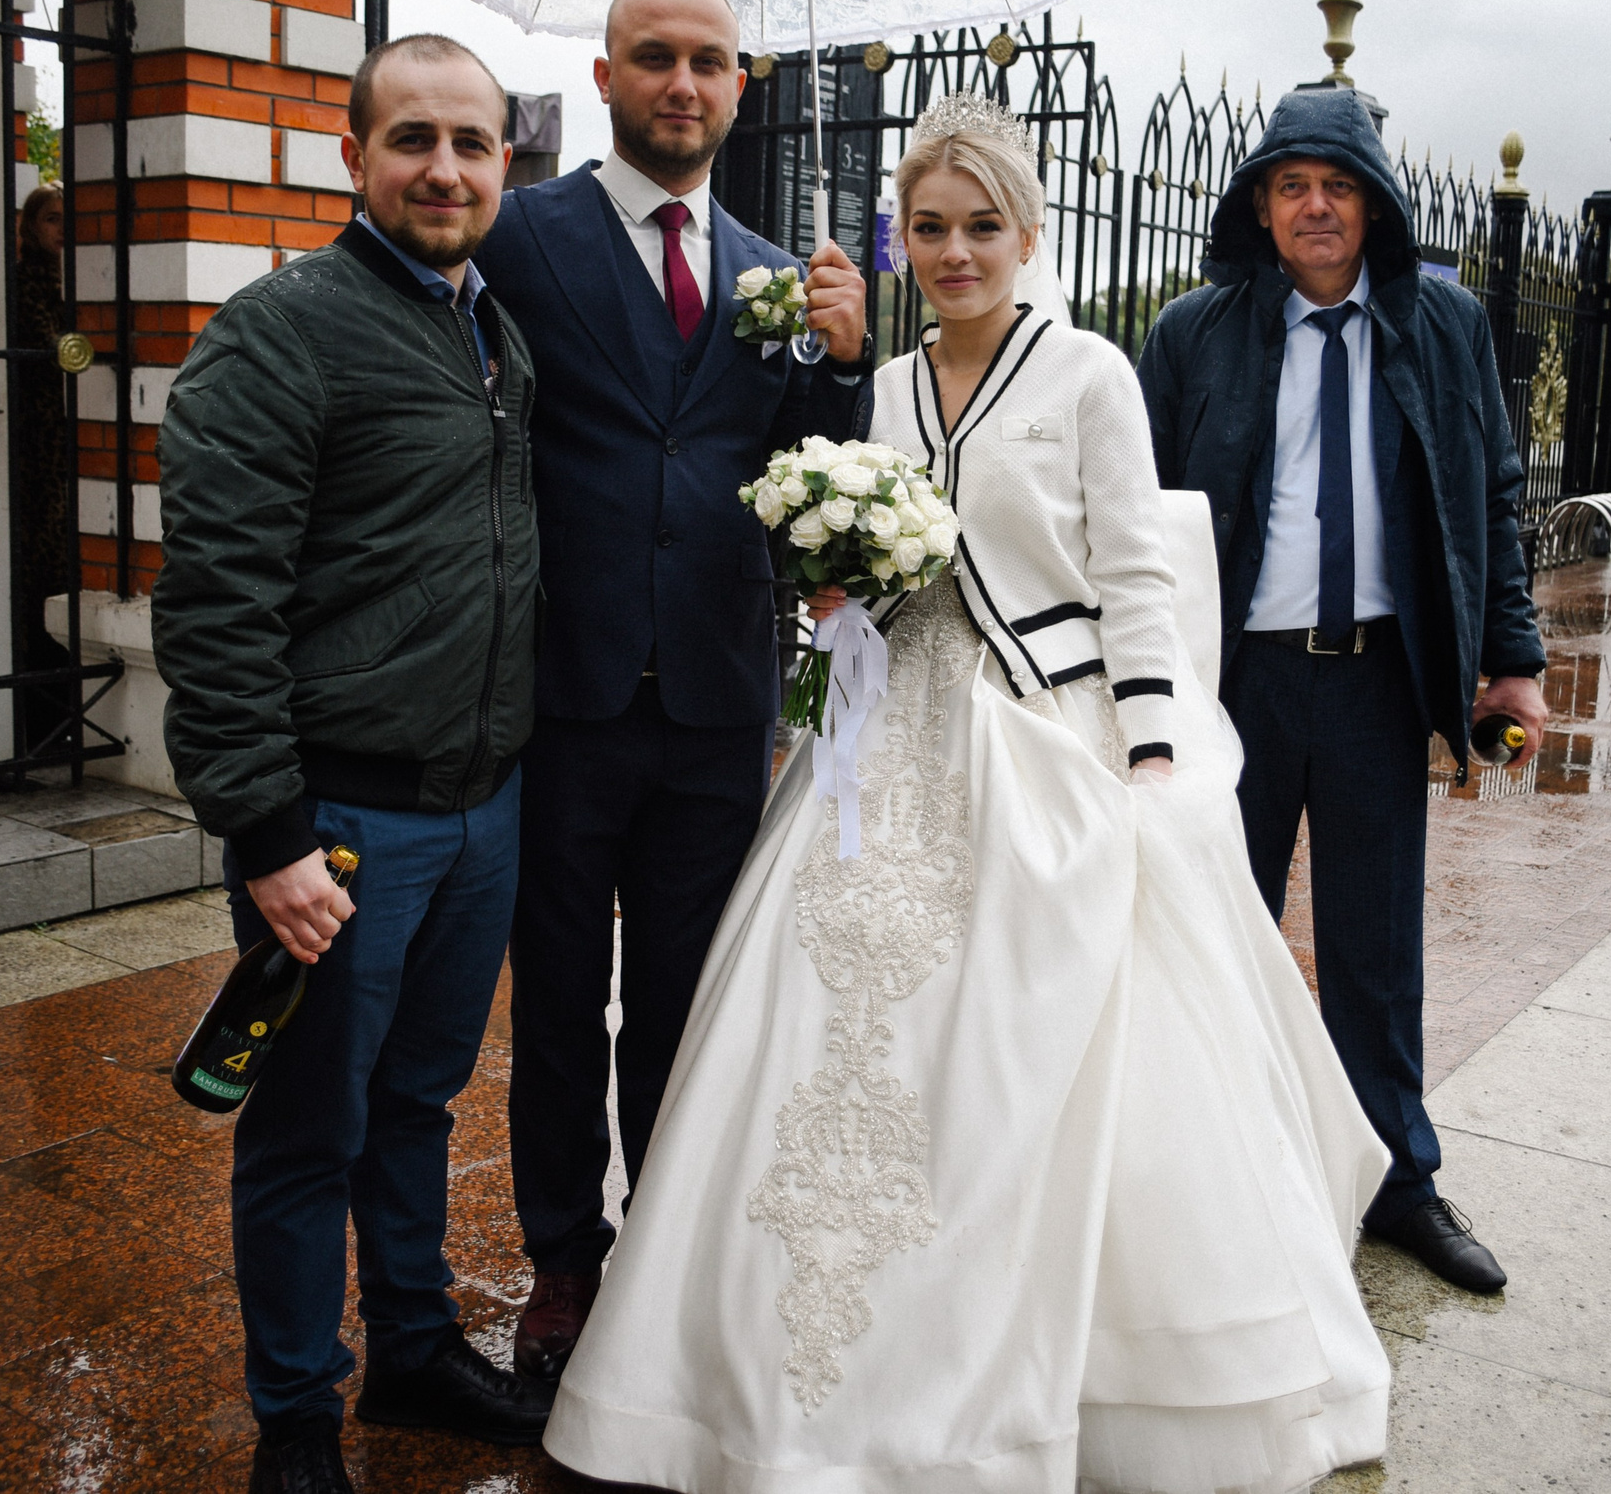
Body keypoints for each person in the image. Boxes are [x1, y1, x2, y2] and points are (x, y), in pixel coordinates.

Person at [539, 94, 1392, 1494]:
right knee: (826, 1024)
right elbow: (867, 577)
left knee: (1025, 1041)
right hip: (883, 743)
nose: (954, 251)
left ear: (1028, 230)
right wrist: (835, 578)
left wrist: (1154, 751)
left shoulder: (1091, 375)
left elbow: (1131, 574)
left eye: (981, 226)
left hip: (1042, 739)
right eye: (928, 228)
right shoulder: (878, 385)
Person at [153, 34, 554, 1494]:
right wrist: (264, 832)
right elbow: (214, 601)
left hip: (482, 809)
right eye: (413, 140)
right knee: (308, 1124)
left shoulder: (496, 332)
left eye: (473, 142)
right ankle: (298, 1418)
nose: (444, 168)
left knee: (419, 1101)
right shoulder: (282, 331)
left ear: (508, 162)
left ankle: (415, 1346)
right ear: (355, 157)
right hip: (335, 820)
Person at [475, 0, 873, 1381]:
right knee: (563, 995)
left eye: (709, 61)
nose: (683, 84)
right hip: (563, 695)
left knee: (690, 1002)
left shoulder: (778, 272)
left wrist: (838, 363)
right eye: (655, 57)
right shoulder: (522, 235)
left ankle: (668, 1242)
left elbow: (808, 478)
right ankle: (566, 1264)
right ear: (605, 76)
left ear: (741, 87)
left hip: (717, 702)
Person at [1136, 84, 1550, 1295]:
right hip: (1236, 687)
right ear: (1260, 208)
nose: (1315, 206)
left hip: (1376, 679)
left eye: (1338, 185)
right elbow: (1134, 516)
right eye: (1291, 186)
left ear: (1373, 204)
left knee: (1373, 951)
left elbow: (1492, 493)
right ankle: (1217, 1172)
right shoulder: (1192, 333)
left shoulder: (1444, 323)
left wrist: (1511, 657)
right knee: (1216, 935)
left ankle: (1395, 1181)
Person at [9, 183, 72, 755]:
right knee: (42, 573)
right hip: (36, 445)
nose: (62, 230)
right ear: (30, 227)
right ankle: (41, 717)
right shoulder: (25, 282)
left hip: (69, 445)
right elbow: (52, 349)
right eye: (51, 219)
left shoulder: (76, 282)